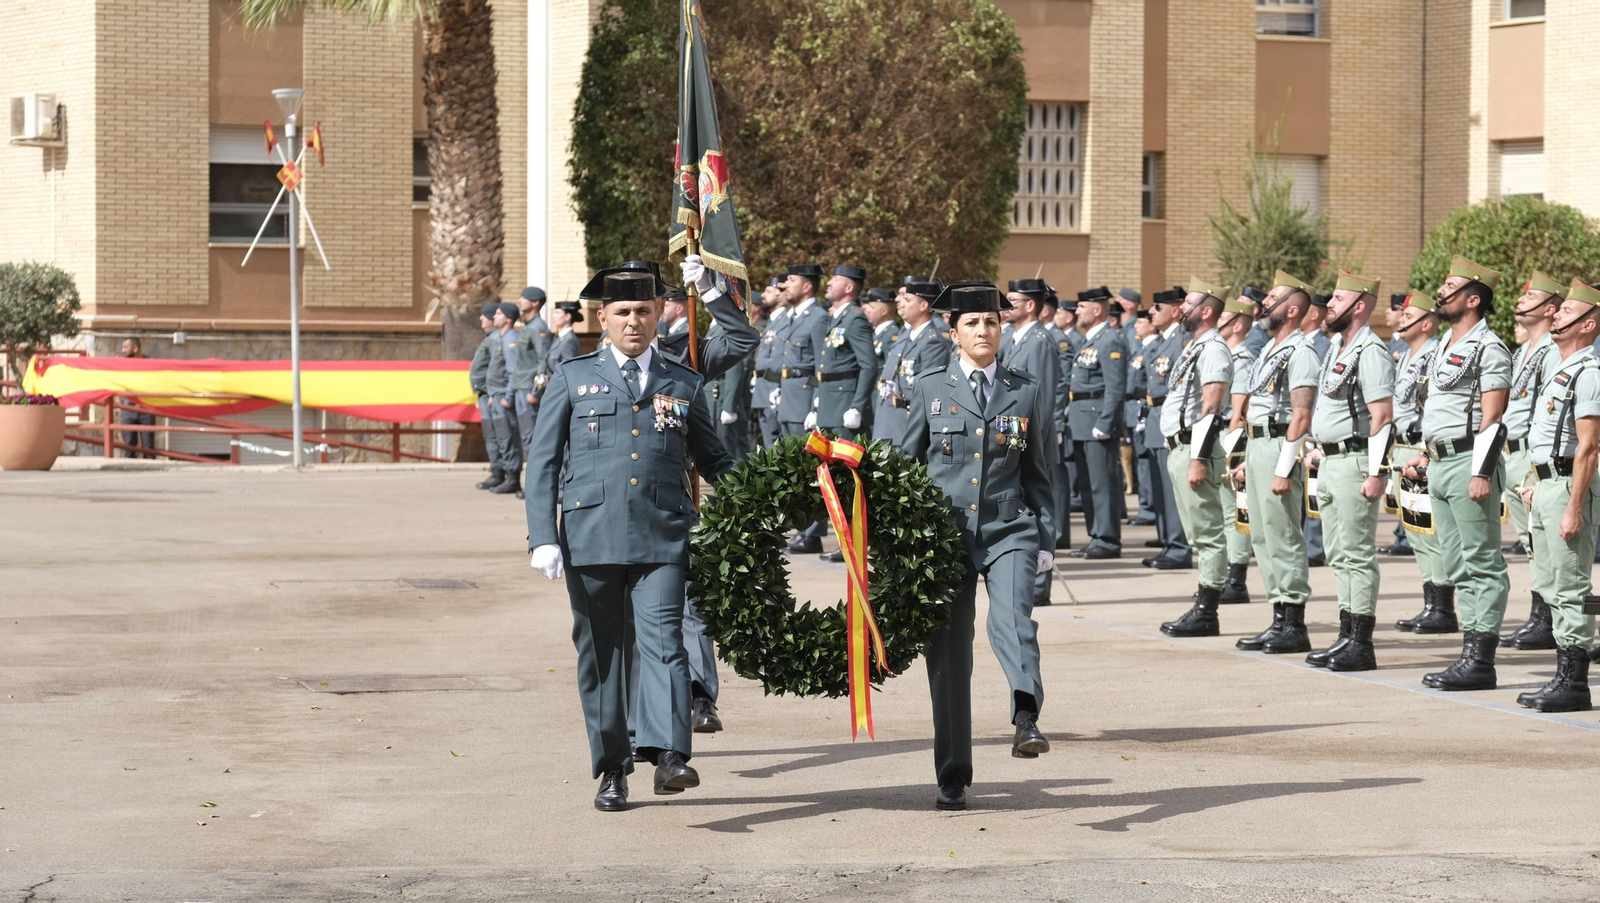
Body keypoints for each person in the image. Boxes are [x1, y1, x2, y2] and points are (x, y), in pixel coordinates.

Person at [525, 267, 735, 813]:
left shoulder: (682, 381)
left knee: (666, 644)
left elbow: (715, 459)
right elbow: (543, 462)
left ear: (659, 312)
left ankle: (669, 755)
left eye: (643, 310)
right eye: (622, 312)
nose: (633, 321)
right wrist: (542, 536)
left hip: (663, 535)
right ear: (604, 318)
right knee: (602, 657)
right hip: (590, 537)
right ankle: (613, 768)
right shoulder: (573, 377)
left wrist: (768, 496)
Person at [901, 281, 1055, 811]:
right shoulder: (930, 388)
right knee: (948, 655)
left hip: (1008, 528)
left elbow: (1039, 471)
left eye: (991, 322)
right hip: (944, 536)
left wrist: (1045, 537)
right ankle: (952, 773)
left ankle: (1026, 715)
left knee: (1012, 619)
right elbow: (907, 467)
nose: (983, 330)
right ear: (954, 333)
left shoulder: (1024, 389)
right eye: (972, 323)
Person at [1401, 257, 1512, 692]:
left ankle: (1481, 660)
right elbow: (1441, 411)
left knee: (1482, 562)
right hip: (1440, 463)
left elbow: (1493, 417)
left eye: (1450, 287)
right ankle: (1470, 653)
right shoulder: (1444, 345)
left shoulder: (1489, 347)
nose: (1440, 292)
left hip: (1470, 463)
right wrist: (1426, 454)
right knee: (1457, 563)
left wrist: (1481, 472)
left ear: (1472, 299)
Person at [1301, 272, 1395, 669]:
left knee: (1357, 554)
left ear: (1359, 306)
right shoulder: (1338, 347)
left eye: (1338, 298)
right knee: (1339, 553)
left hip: (1355, 462)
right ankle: (1346, 635)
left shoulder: (1370, 350)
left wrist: (1377, 472)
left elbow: (1383, 416)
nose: (1330, 304)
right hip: (1330, 461)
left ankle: (1361, 642)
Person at [1515, 278, 1600, 712]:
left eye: (1567, 311)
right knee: (1551, 583)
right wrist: (1538, 480)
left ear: (1589, 324)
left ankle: (1575, 682)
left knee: (1573, 586)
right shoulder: (1561, 368)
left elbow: (1589, 447)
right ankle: (1563, 675)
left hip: (1570, 487)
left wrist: (1573, 507)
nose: (1557, 315)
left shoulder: (1589, 372)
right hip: (1549, 484)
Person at [1231, 272, 1319, 654]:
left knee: (1283, 534)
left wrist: (1283, 468)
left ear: (1293, 309)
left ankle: (1295, 623)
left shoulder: (1301, 352)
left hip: (1280, 445)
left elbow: (1302, 415)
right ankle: (1278, 618)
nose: (1264, 302)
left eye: (1273, 298)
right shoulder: (1270, 348)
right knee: (1263, 537)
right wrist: (1246, 457)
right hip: (1258, 445)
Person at [1157, 279, 1235, 637]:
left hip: (1195, 449)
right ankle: (1204, 604)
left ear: (1205, 310)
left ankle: (1207, 611)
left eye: (1188, 303)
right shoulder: (1196, 346)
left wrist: (1198, 458)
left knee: (1208, 534)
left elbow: (1212, 407)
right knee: (1197, 533)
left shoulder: (1213, 349)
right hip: (1181, 447)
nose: (1181, 309)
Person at [1498, 272, 1563, 649]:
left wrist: (1540, 470)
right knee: (1530, 541)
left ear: (1550, 308)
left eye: (1530, 297)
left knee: (1543, 541)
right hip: (1512, 453)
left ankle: (1550, 618)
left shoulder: (1552, 351)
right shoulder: (1524, 350)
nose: (1520, 301)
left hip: (1531, 456)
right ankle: (1540, 615)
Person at [1390, 291, 1459, 635]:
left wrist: (1426, 452)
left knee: (1433, 533)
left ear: (1428, 323)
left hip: (1422, 447)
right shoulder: (1405, 355)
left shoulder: (1434, 356)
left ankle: (1443, 608)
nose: (1400, 321)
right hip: (1402, 447)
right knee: (1416, 531)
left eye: (1408, 316)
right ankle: (1431, 604)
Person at [1001, 279, 1064, 606]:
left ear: (1030, 305)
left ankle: (1040, 586)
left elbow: (1042, 402)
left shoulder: (1039, 341)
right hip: (1016, 438)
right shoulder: (1015, 337)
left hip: (1032, 443)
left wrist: (1025, 445)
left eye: (1013, 300)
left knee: (1038, 509)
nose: (1007, 304)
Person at [1065, 285, 1128, 559]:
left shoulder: (1110, 340)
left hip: (1097, 421)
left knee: (1103, 484)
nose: (1077, 311)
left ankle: (1108, 539)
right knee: (1088, 484)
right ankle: (1096, 536)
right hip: (1081, 420)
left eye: (1081, 306)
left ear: (1097, 309)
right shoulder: (1089, 339)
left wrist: (1106, 422)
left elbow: (1115, 387)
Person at [1143, 289, 1193, 570]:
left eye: (1157, 307)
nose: (1151, 312)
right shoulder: (1163, 341)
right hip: (1155, 417)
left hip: (1169, 418)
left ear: (1175, 310)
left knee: (1172, 490)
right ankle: (1168, 543)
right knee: (1160, 489)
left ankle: (1178, 547)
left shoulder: (1182, 340)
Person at [1216, 290, 1259, 602]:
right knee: (1221, 511)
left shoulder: (1242, 359)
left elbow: (1239, 411)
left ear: (1238, 325)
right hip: (1217, 434)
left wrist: (1231, 450)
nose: (1216, 322)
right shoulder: (1224, 356)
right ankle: (1221, 577)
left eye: (1223, 318)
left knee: (1234, 511)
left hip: (1231, 437)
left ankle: (1237, 580)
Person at [875, 277, 949, 444]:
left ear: (923, 306)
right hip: (892, 419)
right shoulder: (908, 335)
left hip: (908, 422)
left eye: (907, 300)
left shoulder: (932, 341)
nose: (901, 303)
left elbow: (930, 391)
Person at [1300, 293, 1332, 566]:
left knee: (1314, 489)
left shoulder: (1325, 347)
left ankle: (1314, 547)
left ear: (1313, 315)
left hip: (1312, 428)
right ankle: (1304, 543)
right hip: (1295, 428)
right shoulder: (1297, 344)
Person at [509, 288, 552, 491]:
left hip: (528, 389)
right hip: (521, 387)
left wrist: (536, 391)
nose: (519, 301)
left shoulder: (538, 328)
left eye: (523, 298)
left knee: (532, 439)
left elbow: (544, 362)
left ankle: (537, 487)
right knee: (527, 438)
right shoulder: (528, 326)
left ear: (535, 303)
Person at [486, 302, 523, 495]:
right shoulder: (500, 338)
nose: (494, 317)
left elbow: (513, 371)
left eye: (499, 314)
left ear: (508, 319)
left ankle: (513, 478)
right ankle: (506, 475)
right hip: (497, 395)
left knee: (508, 437)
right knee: (501, 437)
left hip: (504, 396)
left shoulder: (511, 340)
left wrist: (507, 397)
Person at [1127, 309, 1159, 527]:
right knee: (1141, 462)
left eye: (1140, 322)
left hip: (1145, 410)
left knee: (1148, 463)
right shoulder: (1141, 348)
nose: (1135, 326)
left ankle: (1150, 509)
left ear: (1151, 325)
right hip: (1134, 410)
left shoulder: (1155, 348)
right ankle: (1146, 505)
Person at [470, 303, 504, 490]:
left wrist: (490, 392)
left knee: (496, 435)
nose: (481, 319)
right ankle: (497, 471)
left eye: (485, 315)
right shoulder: (491, 338)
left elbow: (497, 369)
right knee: (491, 435)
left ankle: (500, 473)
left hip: (491, 395)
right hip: (485, 393)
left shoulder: (496, 339)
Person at [751, 277, 788, 452]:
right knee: (768, 445)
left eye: (768, 291)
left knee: (778, 445)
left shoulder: (786, 320)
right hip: (763, 387)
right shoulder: (773, 321)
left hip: (774, 386)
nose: (763, 295)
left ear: (780, 295)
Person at [117, 338, 157, 458]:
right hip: (128, 409)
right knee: (129, 447)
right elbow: (116, 383)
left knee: (148, 448)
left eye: (126, 347)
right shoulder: (122, 364)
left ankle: (149, 470)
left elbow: (156, 384)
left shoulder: (150, 363)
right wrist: (118, 402)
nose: (122, 350)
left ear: (135, 348)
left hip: (146, 410)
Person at [863, 287, 900, 372]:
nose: (867, 311)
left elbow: (890, 369)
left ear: (884, 311)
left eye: (872, 307)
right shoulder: (875, 333)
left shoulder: (892, 335)